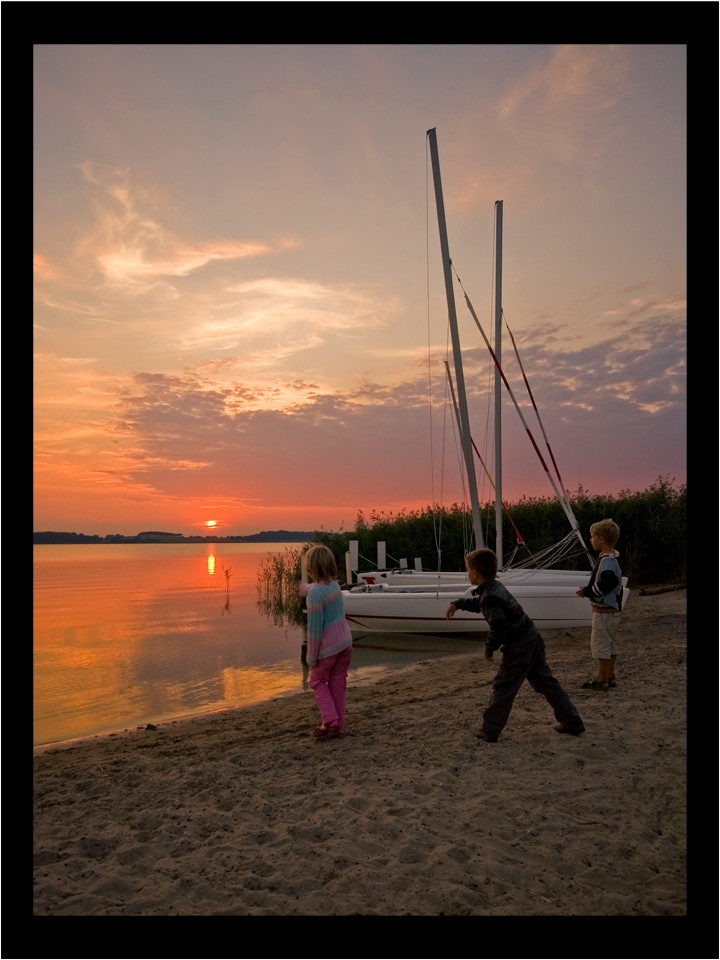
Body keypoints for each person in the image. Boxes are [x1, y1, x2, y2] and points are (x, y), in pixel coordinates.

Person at [445, 548, 585, 742]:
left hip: (520, 645)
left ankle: (490, 730)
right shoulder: (493, 588)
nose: (467, 573)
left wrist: (489, 648)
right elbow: (481, 605)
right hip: (532, 638)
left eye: (467, 569)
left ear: (475, 573)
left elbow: (499, 627)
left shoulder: (491, 595)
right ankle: (573, 722)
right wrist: (459, 603)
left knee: (504, 686)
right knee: (546, 683)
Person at [301, 544, 353, 738]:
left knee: (316, 681)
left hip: (328, 650)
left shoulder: (315, 594)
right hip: (345, 644)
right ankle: (339, 724)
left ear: (311, 567)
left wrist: (311, 658)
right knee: (338, 684)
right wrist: (305, 588)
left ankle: (330, 720)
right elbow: (318, 589)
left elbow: (314, 630)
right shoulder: (334, 586)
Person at [576, 519, 624, 691]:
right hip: (612, 611)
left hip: (605, 612)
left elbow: (605, 586)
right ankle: (610, 676)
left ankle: (601, 678)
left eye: (593, 537)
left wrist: (586, 591)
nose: (591, 540)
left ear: (602, 539)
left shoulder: (607, 562)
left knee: (600, 644)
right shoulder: (611, 558)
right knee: (610, 643)